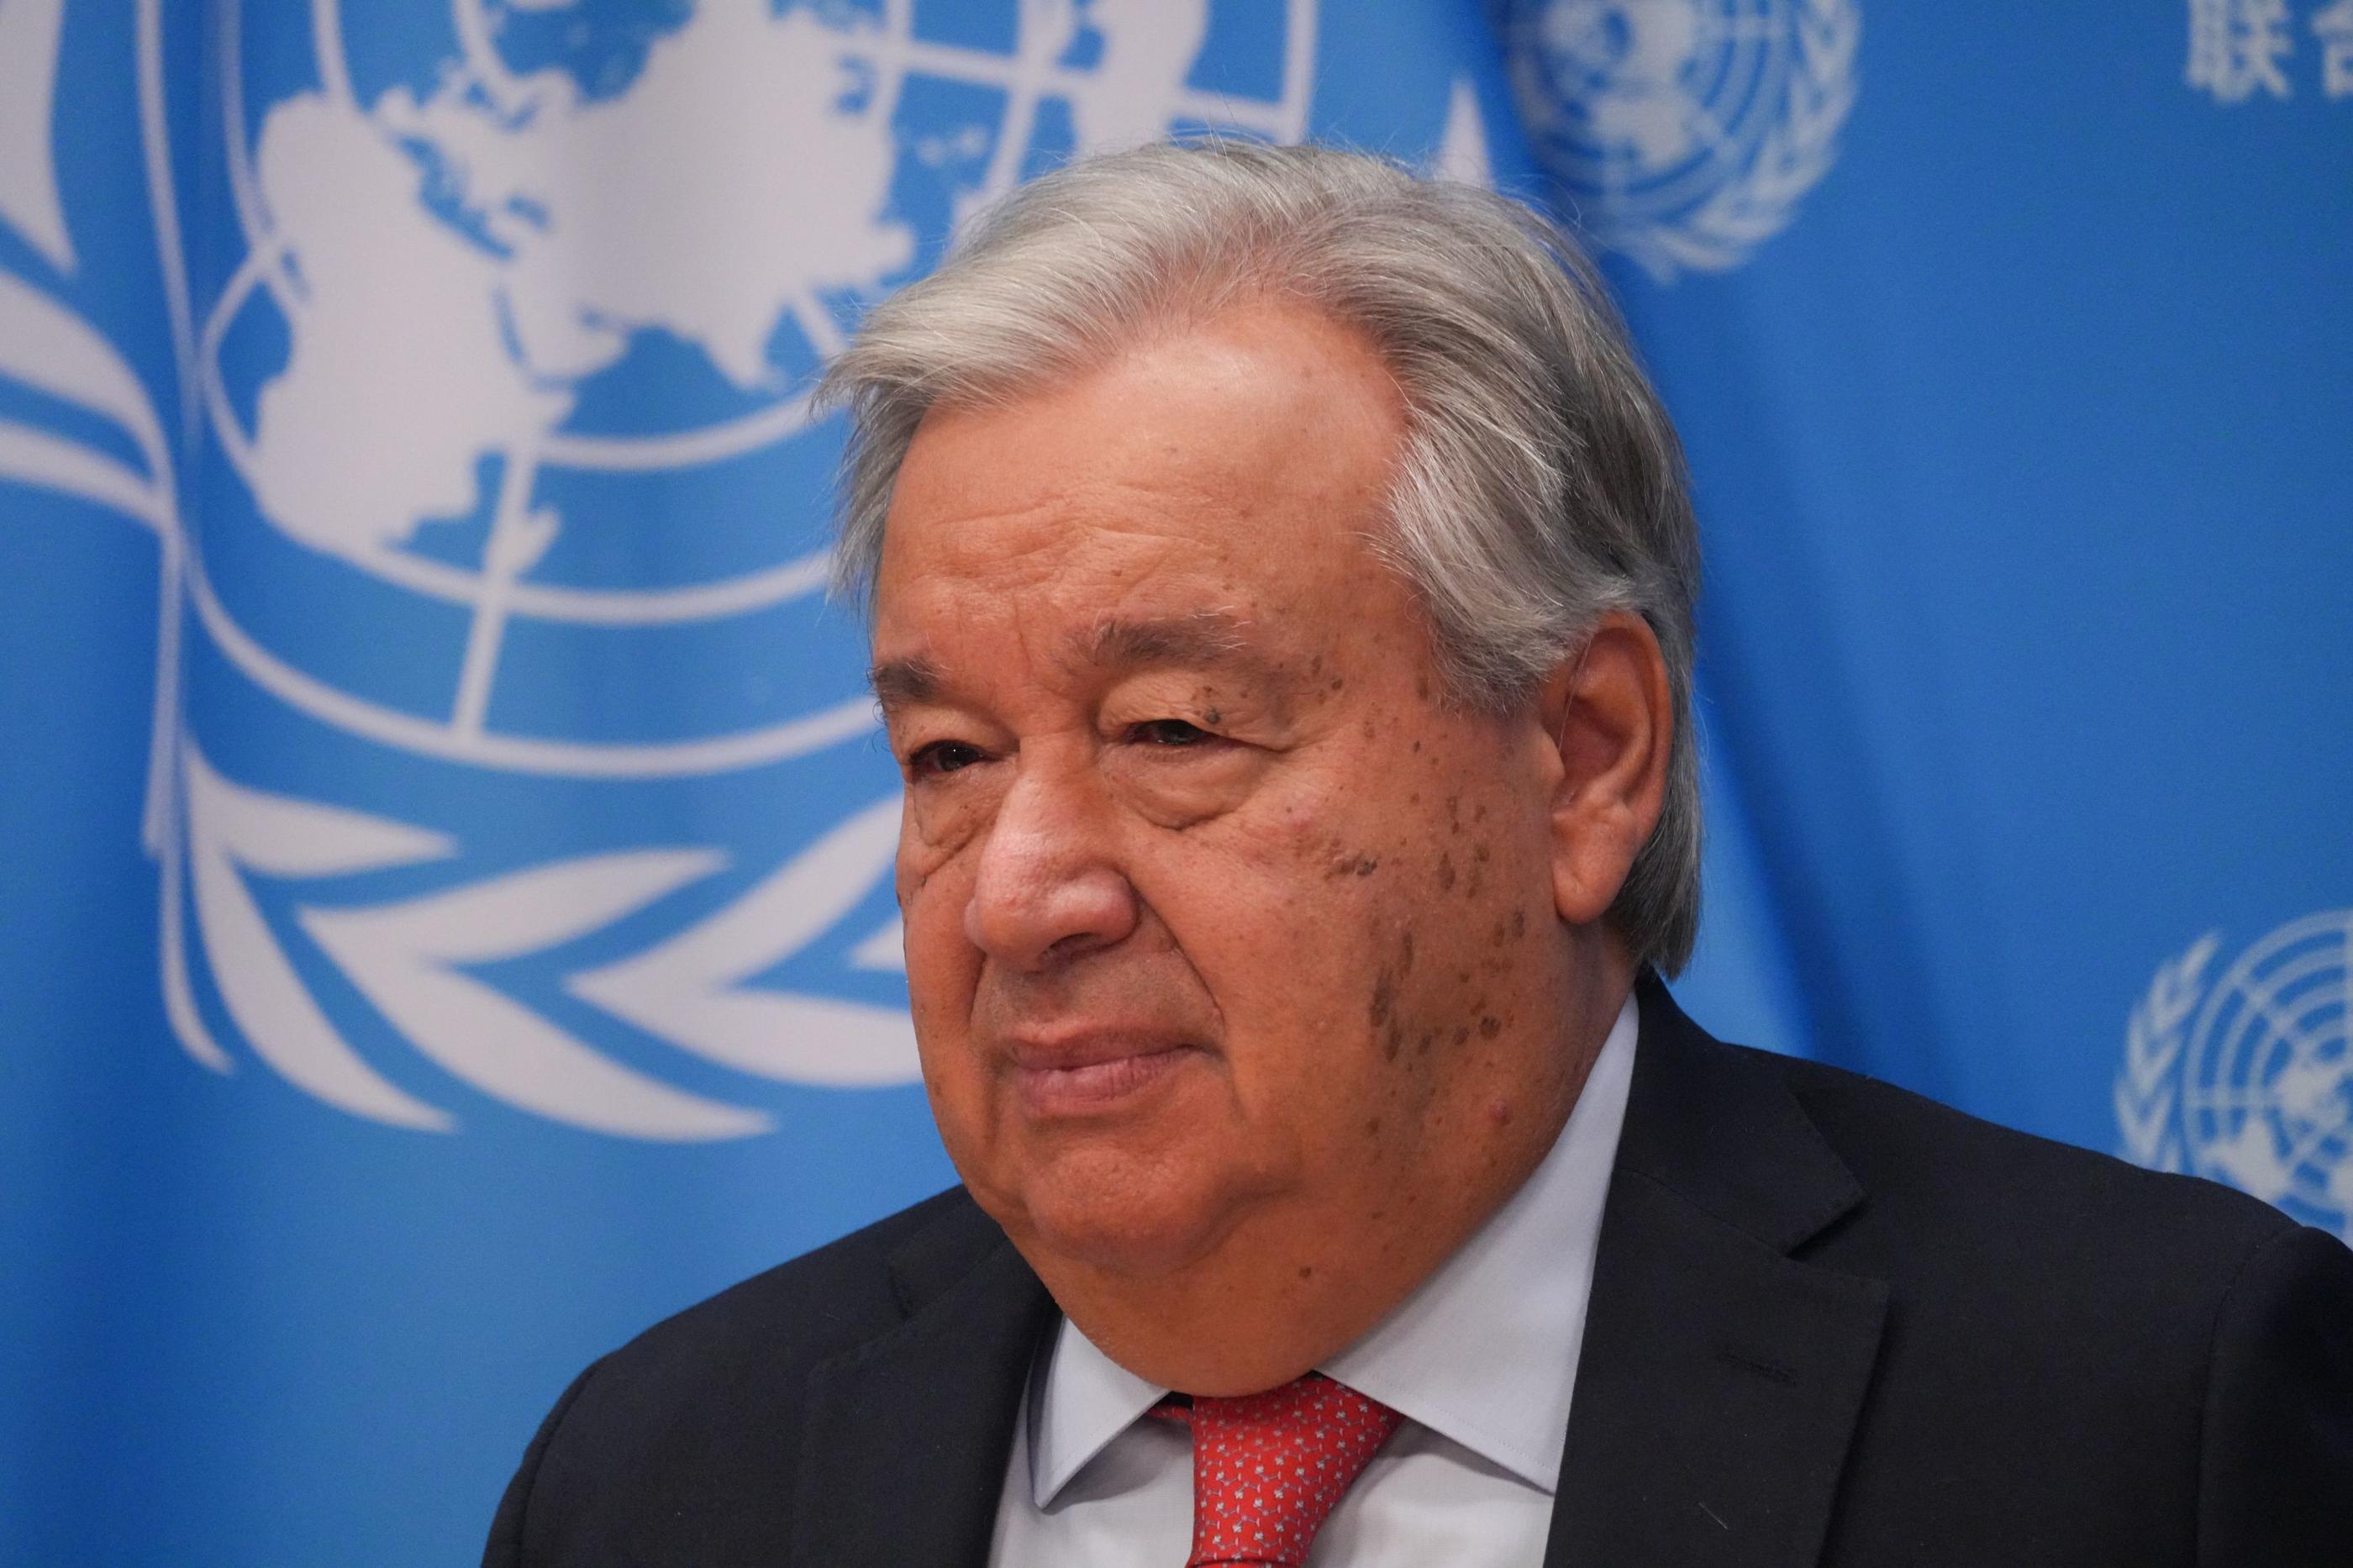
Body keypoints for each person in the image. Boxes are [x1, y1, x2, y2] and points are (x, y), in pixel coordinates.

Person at [482, 142, 2353, 1567]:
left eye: (1168, 733)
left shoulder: (2134, 1424)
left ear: (1580, 757)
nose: (1015, 890)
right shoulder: (663, 1478)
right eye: (949, 756)